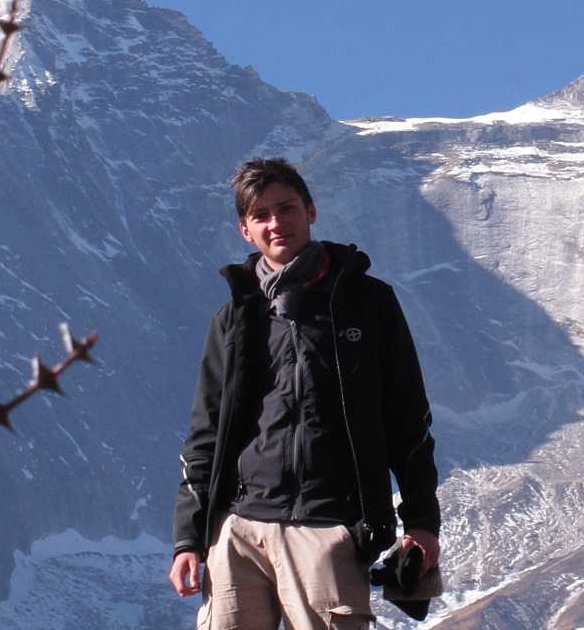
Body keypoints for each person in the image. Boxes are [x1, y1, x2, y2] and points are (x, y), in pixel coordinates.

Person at [168, 158, 441, 628]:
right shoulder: (234, 317)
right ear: (245, 230)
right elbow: (204, 433)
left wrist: (421, 522)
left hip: (329, 528)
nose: (277, 223)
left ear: (311, 211)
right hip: (238, 530)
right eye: (262, 215)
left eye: (287, 208)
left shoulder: (367, 302)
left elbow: (408, 419)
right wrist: (188, 540)